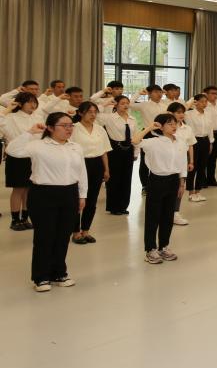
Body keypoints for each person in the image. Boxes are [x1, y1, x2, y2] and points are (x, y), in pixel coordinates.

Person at [8, 113, 87, 291]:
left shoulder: (75, 147)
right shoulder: (37, 145)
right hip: (43, 194)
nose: (69, 129)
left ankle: (59, 273)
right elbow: (12, 150)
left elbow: (82, 172)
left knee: (63, 236)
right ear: (50, 127)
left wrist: (82, 195)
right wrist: (29, 132)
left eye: (71, 125)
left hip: (69, 193)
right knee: (45, 236)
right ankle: (41, 277)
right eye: (64, 125)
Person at [134, 113, 188, 264]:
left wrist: (182, 182)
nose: (174, 126)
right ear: (161, 126)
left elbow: (183, 162)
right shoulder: (153, 142)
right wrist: (150, 127)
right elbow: (135, 141)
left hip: (174, 180)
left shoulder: (180, 141)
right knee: (153, 216)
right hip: (157, 180)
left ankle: (163, 246)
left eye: (175, 123)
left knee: (168, 216)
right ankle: (150, 249)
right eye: (170, 123)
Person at [1, 92, 44, 230]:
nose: (33, 105)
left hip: (34, 156)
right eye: (29, 102)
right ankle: (15, 220)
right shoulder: (12, 117)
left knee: (29, 189)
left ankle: (25, 218)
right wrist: (7, 109)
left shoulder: (38, 117)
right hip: (17, 156)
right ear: (20, 103)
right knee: (18, 189)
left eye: (35, 102)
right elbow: (7, 130)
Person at [70, 102, 111, 244]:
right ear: (80, 113)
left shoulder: (100, 129)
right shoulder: (73, 128)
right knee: (78, 199)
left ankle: (85, 230)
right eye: (89, 112)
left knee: (92, 200)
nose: (93, 115)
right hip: (79, 164)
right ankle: (75, 232)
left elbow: (104, 151)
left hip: (97, 164)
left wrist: (106, 169)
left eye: (95, 112)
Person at [96, 95, 139, 215]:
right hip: (115, 150)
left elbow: (136, 136)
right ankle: (114, 207)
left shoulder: (132, 119)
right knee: (114, 179)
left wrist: (136, 152)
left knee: (127, 178)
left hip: (129, 149)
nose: (125, 105)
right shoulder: (109, 118)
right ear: (116, 105)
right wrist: (107, 102)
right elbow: (96, 113)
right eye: (122, 103)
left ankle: (123, 206)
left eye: (127, 103)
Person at [166, 103, 197, 226]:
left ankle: (175, 213)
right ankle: (166, 213)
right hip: (168, 161)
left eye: (183, 112)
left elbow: (190, 145)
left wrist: (191, 161)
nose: (181, 115)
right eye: (178, 112)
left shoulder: (187, 128)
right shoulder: (165, 127)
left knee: (180, 187)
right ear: (171, 113)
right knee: (168, 187)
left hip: (182, 160)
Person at [131, 85, 166, 192]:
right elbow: (129, 104)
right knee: (145, 161)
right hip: (148, 133)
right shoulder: (144, 105)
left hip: (162, 135)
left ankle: (156, 183)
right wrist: (138, 93)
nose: (159, 94)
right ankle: (145, 185)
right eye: (155, 92)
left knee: (159, 159)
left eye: (160, 92)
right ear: (149, 94)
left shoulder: (165, 105)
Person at [184, 93, 216, 202]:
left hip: (205, 141)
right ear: (196, 102)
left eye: (206, 101)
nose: (204, 104)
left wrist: (211, 142)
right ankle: (190, 192)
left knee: (202, 167)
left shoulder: (208, 114)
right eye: (202, 101)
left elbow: (210, 128)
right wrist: (191, 100)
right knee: (192, 167)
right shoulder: (189, 114)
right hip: (194, 141)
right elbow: (183, 109)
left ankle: (198, 191)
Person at [202, 86, 217, 187]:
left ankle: (211, 179)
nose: (215, 95)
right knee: (204, 158)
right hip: (207, 134)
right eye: (212, 93)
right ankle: (202, 180)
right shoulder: (204, 106)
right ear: (206, 94)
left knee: (213, 158)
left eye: (216, 93)